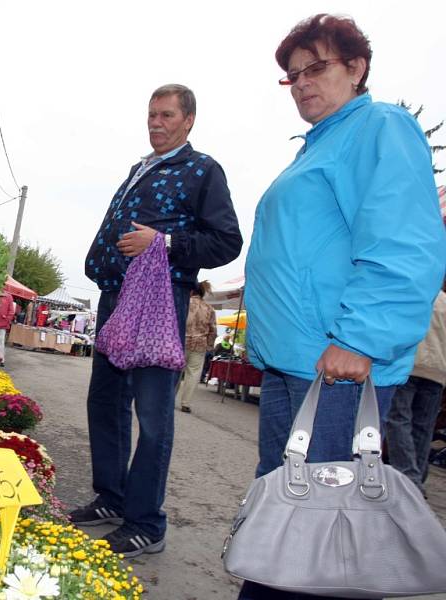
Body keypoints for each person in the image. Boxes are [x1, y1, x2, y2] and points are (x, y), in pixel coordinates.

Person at [242, 14, 445, 599]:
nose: (302, 82)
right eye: (292, 74)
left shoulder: (378, 126)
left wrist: (361, 339)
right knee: (289, 518)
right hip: (297, 364)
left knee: (320, 534)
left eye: (316, 67)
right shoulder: (320, 145)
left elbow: (404, 242)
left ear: (356, 68)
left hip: (336, 367)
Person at [72, 83, 242, 558]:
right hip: (114, 295)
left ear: (188, 121)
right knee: (104, 401)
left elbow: (227, 242)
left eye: (166, 115)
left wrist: (164, 244)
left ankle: (147, 522)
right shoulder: (138, 168)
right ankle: (112, 498)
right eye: (151, 115)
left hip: (159, 300)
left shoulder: (203, 169)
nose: (156, 123)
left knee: (151, 414)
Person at [386, 285, 446, 495]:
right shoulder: (444, 302)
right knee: (423, 426)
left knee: (398, 420)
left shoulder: (414, 295)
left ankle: (408, 478)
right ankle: (416, 478)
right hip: (437, 372)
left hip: (410, 366)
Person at [176, 281, 217, 413]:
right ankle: (186, 403)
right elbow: (213, 330)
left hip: (181, 341)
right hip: (200, 344)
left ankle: (169, 398)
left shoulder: (183, 303)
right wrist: (210, 346)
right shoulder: (209, 309)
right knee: (193, 373)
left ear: (191, 291)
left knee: (176, 371)